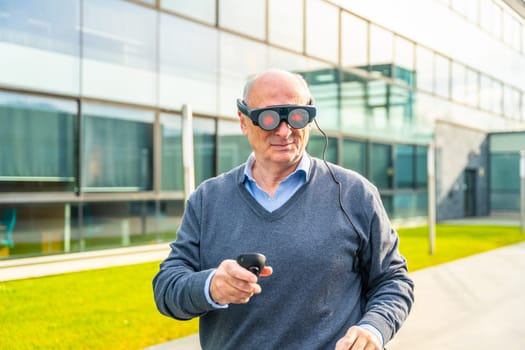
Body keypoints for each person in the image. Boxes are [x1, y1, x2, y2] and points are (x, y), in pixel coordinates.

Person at [153, 69, 414, 350]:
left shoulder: (354, 193)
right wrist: (210, 286)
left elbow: (393, 280)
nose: (284, 130)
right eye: (268, 118)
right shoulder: (208, 199)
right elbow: (167, 287)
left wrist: (373, 328)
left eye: (297, 116)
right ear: (243, 121)